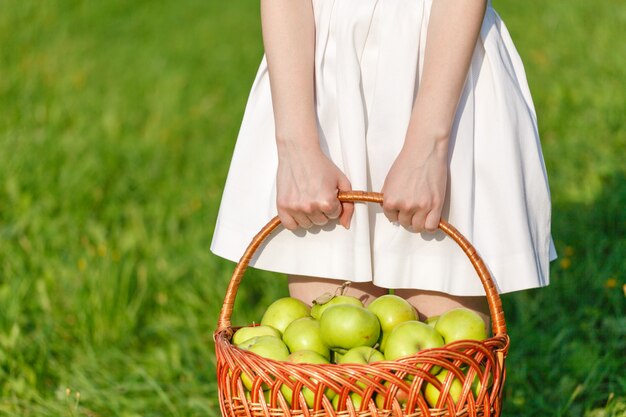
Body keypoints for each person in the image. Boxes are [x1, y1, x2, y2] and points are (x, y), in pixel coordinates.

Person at [211, 0, 557, 325]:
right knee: (331, 366)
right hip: (321, 68)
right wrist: (296, 147)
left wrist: (429, 146)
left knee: (445, 364)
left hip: (442, 63)